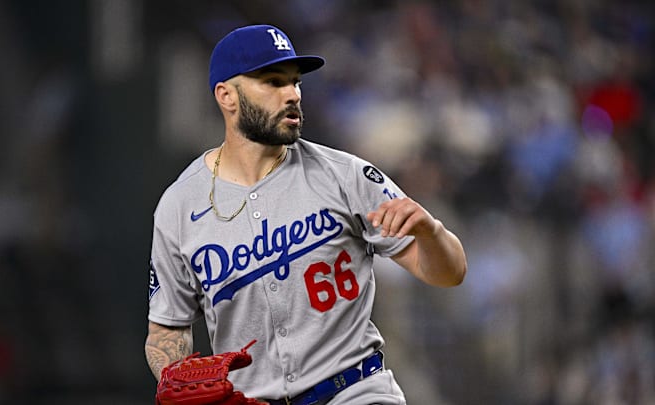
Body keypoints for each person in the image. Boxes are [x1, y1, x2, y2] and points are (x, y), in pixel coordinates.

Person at [145, 24, 467, 405]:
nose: (292, 94)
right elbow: (167, 327)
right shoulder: (179, 205)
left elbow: (451, 273)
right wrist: (176, 376)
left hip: (356, 391)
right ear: (226, 96)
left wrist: (430, 232)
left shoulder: (344, 175)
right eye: (273, 82)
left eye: (295, 82)